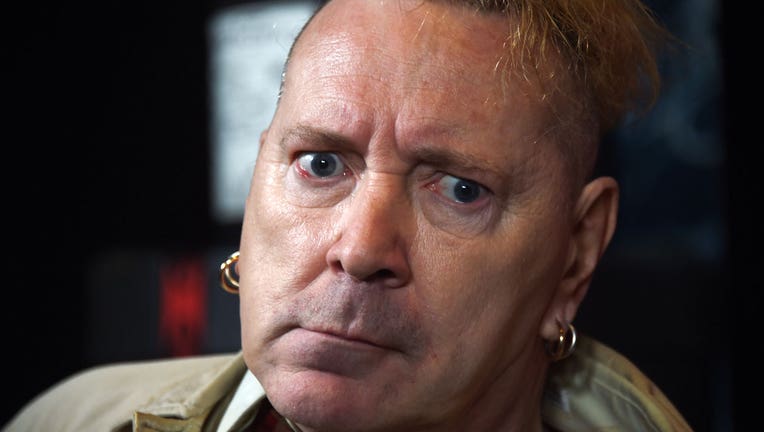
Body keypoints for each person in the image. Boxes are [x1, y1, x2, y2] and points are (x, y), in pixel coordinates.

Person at [4, 0, 694, 431]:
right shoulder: (70, 420)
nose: (361, 249)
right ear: (257, 180)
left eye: (459, 189)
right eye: (321, 164)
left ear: (574, 256)